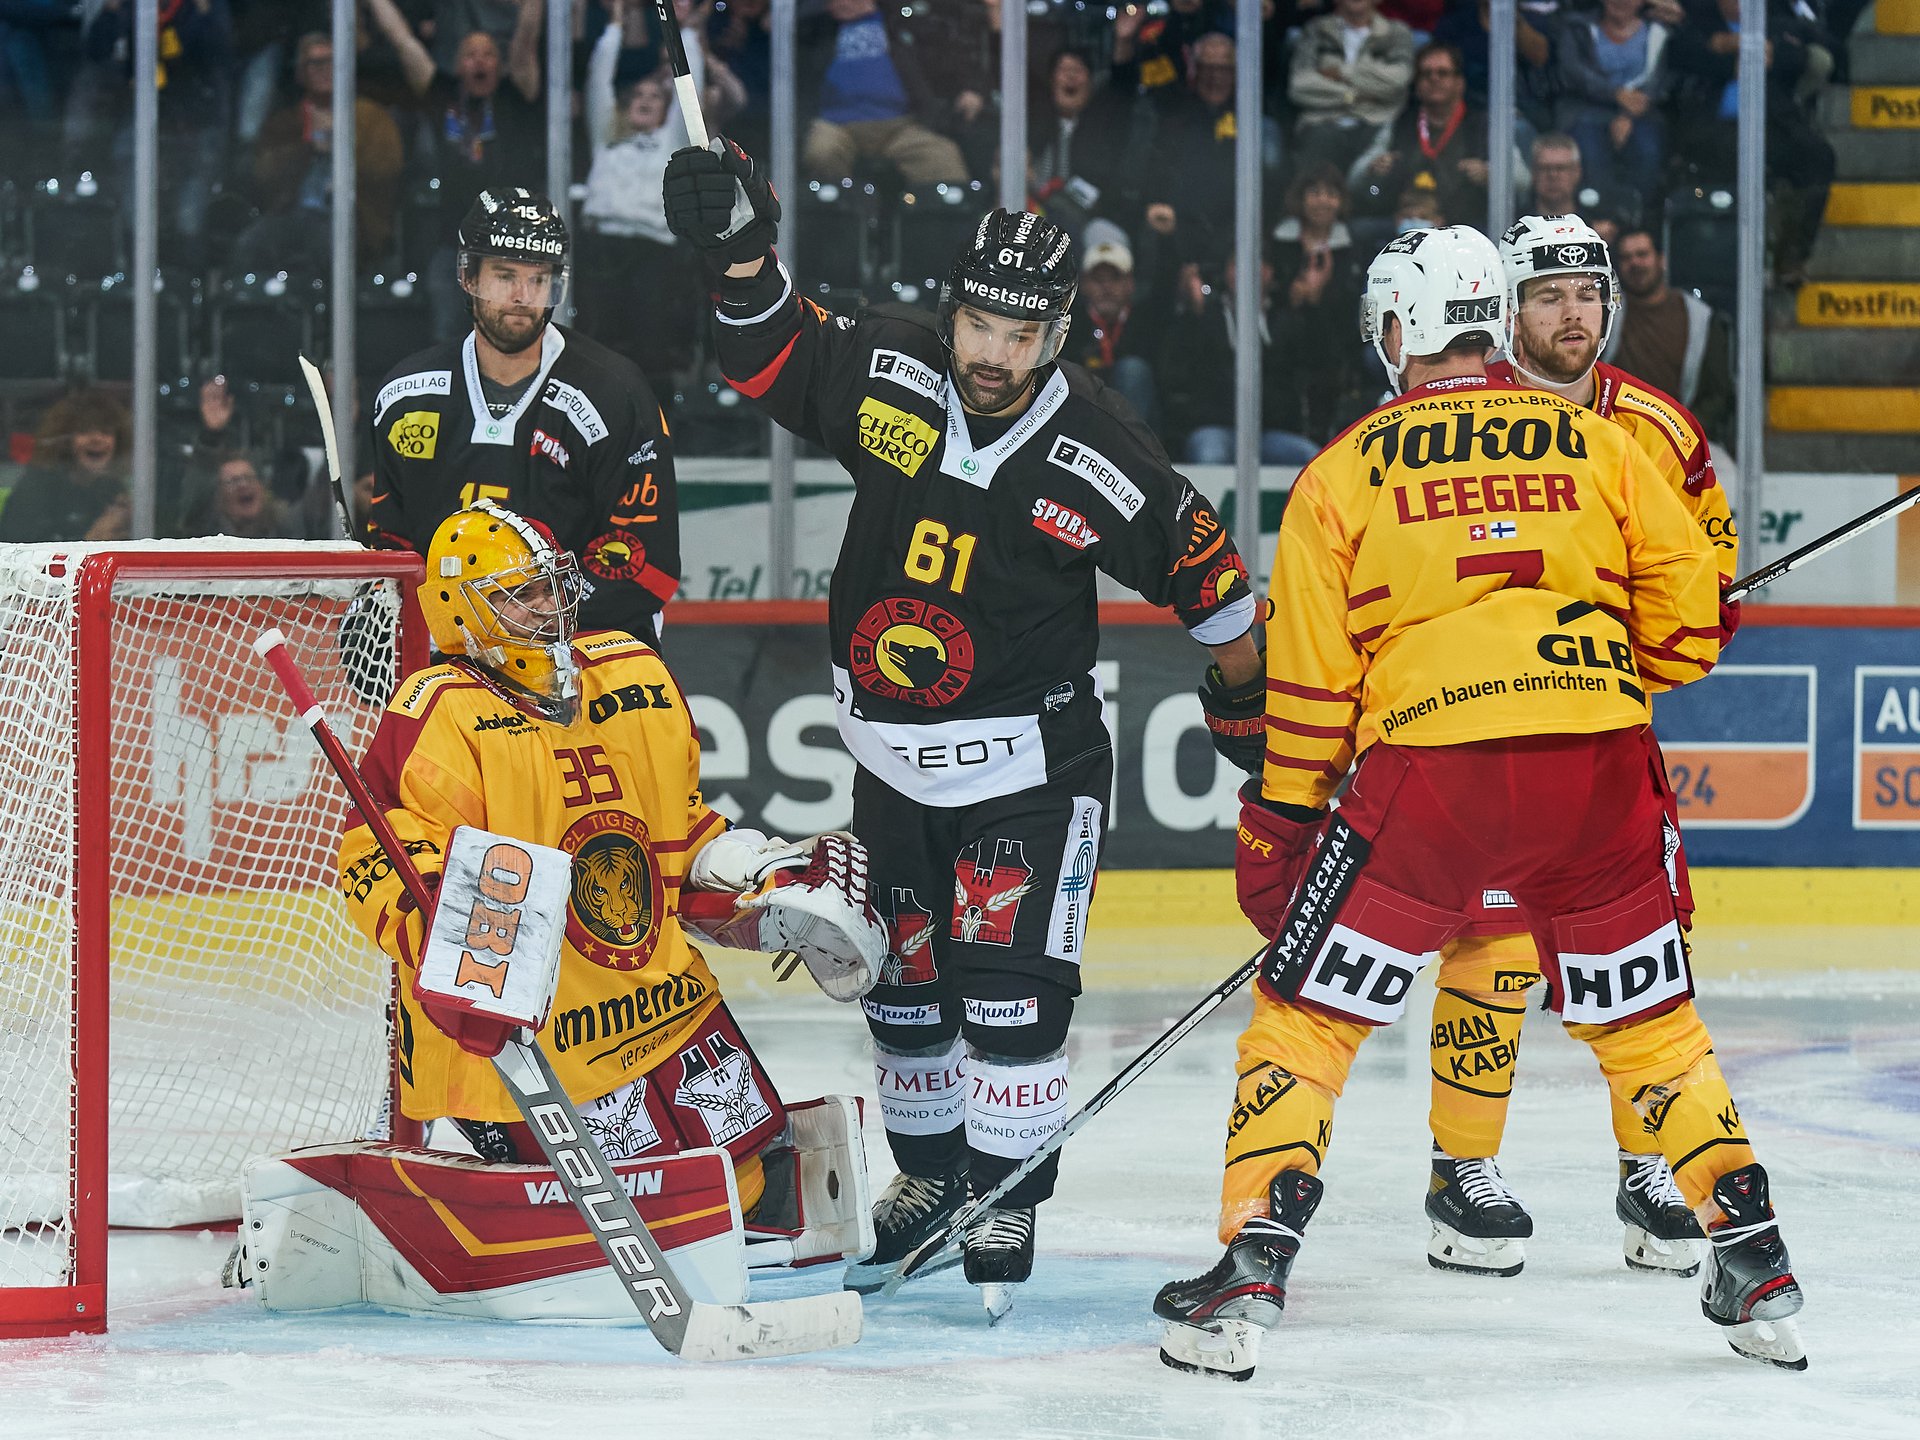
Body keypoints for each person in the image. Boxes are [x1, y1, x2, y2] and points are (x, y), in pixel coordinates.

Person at [1155, 225, 1805, 1380]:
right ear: (1498, 321)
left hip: (1433, 777)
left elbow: (1311, 693)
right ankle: (1750, 1251)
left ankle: (1255, 1256)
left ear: (1394, 330)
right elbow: (1694, 629)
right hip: (1600, 768)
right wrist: (1602, 651)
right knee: (1649, 1024)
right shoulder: (1599, 443)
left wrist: (1282, 825)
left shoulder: (1342, 472)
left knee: (1308, 1016)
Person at [664, 139, 1262, 1317]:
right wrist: (737, 252)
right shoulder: (889, 371)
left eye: (1021, 332)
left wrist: (1249, 715)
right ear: (952, 313)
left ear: (1059, 333)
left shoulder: (1101, 449)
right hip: (891, 770)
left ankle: (1005, 1194)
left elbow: (1219, 590)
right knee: (901, 993)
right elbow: (768, 351)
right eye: (978, 324)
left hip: (1030, 773)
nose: (993, 352)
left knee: (1009, 1000)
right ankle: (933, 1178)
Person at [311, 499, 882, 1310]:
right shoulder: (436, 712)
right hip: (531, 1026)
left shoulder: (629, 672)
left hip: (656, 996)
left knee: (748, 1178)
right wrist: (446, 930)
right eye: (519, 594)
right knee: (650, 1197)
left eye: (550, 585)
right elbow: (378, 861)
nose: (548, 606)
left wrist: (760, 879)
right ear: (458, 610)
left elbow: (677, 832)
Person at [1384, 214, 1738, 1281]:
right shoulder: (1452, 415)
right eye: (1547, 295)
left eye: (1587, 292)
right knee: (1492, 947)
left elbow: (1709, 573)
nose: (1571, 312)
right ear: (1505, 312)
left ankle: (1649, 1168)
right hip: (1480, 731)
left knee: (1642, 946)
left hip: (1604, 732)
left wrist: (1681, 618)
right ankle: (1463, 1173)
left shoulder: (1660, 430)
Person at [366, 187, 681, 641]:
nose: (522, 296)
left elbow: (643, 561)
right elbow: (391, 543)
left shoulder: (614, 395)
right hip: (450, 650)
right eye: (504, 276)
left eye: (538, 279)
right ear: (468, 277)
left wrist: (535, 614)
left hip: (581, 648)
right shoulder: (406, 397)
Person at [230, 29, 405, 276]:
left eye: (331, 61)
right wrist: (306, 147)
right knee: (249, 245)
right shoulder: (285, 121)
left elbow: (388, 167)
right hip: (290, 214)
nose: (324, 69)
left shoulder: (372, 118)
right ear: (301, 72)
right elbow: (264, 173)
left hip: (353, 218)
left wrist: (345, 152)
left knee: (329, 244)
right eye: (315, 63)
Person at [1349, 41, 1529, 231]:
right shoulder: (1399, 122)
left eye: (1442, 73)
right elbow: (1354, 178)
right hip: (1404, 228)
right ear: (1417, 84)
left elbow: (1523, 180)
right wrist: (1372, 170)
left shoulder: (1485, 125)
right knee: (1361, 230)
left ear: (1460, 83)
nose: (1433, 79)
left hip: (1468, 230)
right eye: (1426, 74)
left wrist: (1490, 174)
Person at [797, 0, 969, 187]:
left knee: (941, 156)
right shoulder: (819, 31)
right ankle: (839, 205)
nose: (841, 3)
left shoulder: (898, 23)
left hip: (899, 125)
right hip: (836, 124)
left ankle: (939, 207)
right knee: (821, 151)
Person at [1606, 224, 1735, 444]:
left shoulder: (1699, 317)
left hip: (1682, 440)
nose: (1634, 263)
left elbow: (1719, 394)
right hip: (1616, 438)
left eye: (1642, 254)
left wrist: (1680, 431)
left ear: (1661, 259)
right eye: (1626, 258)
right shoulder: (1605, 315)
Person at [1553, 0, 1672, 208]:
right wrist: (1616, 94)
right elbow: (1573, 71)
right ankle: (1596, 217)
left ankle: (1633, 218)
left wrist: (1628, 115)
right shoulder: (1577, 27)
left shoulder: (1660, 31)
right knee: (1590, 152)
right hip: (1586, 109)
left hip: (1641, 113)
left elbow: (1663, 80)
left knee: (1648, 152)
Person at [1288, 0, 1416, 179]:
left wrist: (1342, 72)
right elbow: (1300, 86)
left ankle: (1370, 194)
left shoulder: (1396, 32)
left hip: (1377, 122)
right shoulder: (1316, 29)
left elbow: (1398, 81)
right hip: (1323, 122)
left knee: (1377, 182)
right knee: (1317, 154)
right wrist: (1353, 95)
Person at [0, 389, 131, 543]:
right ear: (65, 442)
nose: (97, 439)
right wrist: (92, 538)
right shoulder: (36, 489)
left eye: (106, 432)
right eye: (84, 431)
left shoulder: (112, 490)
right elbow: (17, 550)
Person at [180, 452, 296, 539]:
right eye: (233, 481)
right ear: (219, 496)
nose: (243, 485)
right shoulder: (206, 538)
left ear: (261, 486)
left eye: (248, 478)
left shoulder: (286, 526)